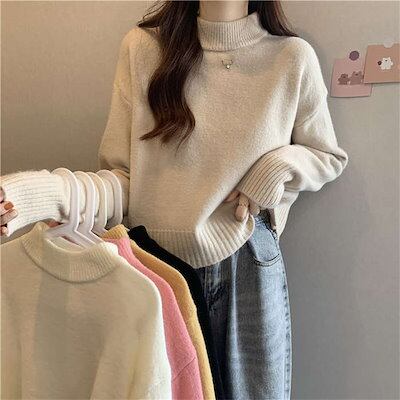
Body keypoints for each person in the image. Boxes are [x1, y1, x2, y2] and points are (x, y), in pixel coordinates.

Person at [0, 1, 349, 399]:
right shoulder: (143, 49)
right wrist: (29, 196)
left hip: (248, 262)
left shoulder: (291, 57)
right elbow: (124, 182)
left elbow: (327, 155)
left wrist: (276, 168)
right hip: (153, 265)